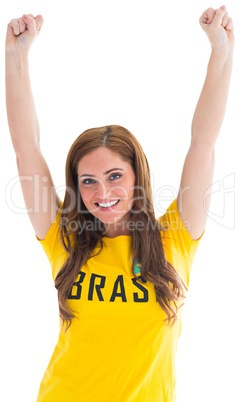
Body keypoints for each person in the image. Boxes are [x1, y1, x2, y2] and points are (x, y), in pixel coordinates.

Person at [5, 5, 234, 402]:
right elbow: (27, 150)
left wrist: (221, 50)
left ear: (137, 177)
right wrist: (16, 57)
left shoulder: (174, 237)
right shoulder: (65, 238)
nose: (102, 193)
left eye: (115, 177)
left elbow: (203, 143)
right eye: (88, 181)